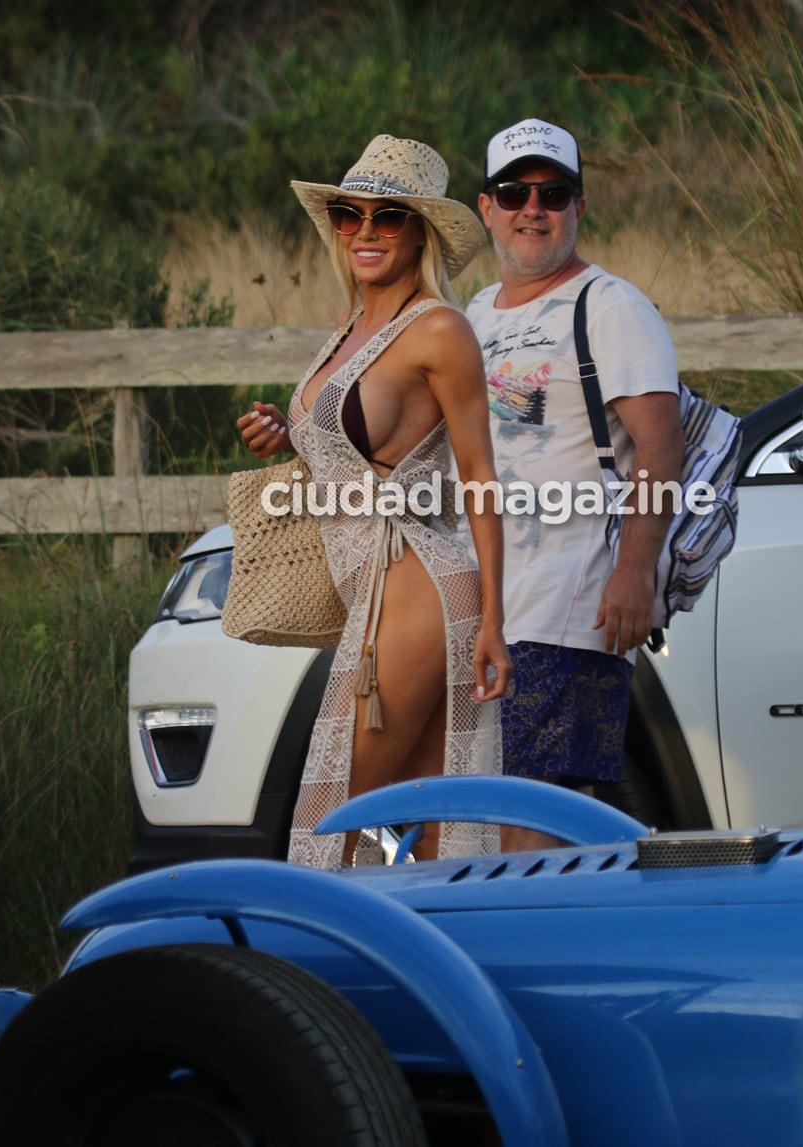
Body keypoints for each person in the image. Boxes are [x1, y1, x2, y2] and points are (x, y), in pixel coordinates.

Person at [237, 135, 511, 869]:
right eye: (348, 214)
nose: (364, 230)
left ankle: (301, 974)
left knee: (333, 811)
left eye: (388, 216)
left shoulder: (440, 330)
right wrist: (285, 433)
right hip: (370, 593)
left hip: (417, 584)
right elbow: (355, 451)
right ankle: (424, 974)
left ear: (419, 231)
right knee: (427, 836)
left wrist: (495, 620)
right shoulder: (350, 329)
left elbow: (480, 475)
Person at [465, 119, 686, 851]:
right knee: (497, 815)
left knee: (542, 818)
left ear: (579, 206)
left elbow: (660, 442)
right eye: (515, 192)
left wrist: (634, 570)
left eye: (553, 193)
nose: (534, 208)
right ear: (487, 207)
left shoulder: (611, 305)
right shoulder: (473, 315)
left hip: (571, 605)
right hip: (493, 609)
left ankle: (545, 959)